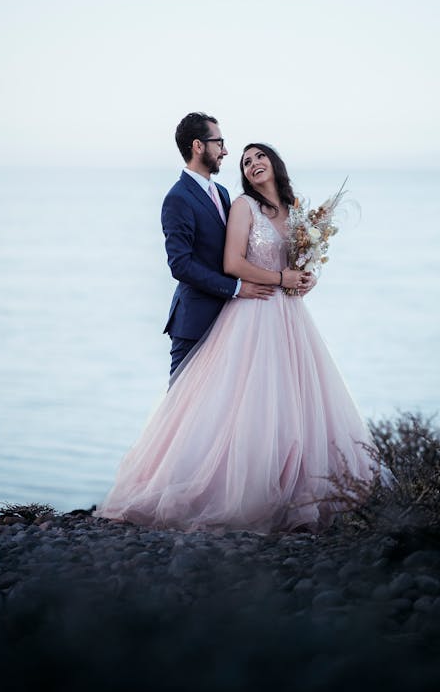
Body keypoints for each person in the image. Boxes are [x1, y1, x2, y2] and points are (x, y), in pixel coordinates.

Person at [95, 142, 374, 533]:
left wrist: (307, 278)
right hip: (253, 311)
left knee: (295, 400)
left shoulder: (296, 210)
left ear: (275, 163)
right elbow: (232, 263)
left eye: (259, 156)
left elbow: (298, 262)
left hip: (290, 316)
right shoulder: (242, 205)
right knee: (247, 402)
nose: (253, 163)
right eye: (246, 161)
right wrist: (280, 279)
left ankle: (296, 490)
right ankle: (233, 491)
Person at [161, 112, 306, 375]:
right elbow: (180, 265)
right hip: (195, 321)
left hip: (235, 321)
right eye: (219, 142)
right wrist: (236, 287)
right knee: (182, 405)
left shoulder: (222, 193)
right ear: (198, 146)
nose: (225, 151)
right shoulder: (178, 197)